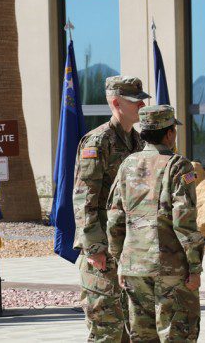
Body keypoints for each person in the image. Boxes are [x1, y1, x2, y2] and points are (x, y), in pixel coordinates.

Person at [107, 105, 204, 342]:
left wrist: (120, 260)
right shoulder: (178, 165)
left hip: (134, 266)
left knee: (142, 336)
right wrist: (195, 266)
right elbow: (184, 221)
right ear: (169, 133)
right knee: (177, 334)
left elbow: (115, 217)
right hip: (170, 268)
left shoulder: (127, 165)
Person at [73, 76, 149, 342]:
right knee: (106, 329)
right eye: (135, 101)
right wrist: (93, 247)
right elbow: (84, 198)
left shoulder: (139, 142)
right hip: (103, 250)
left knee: (131, 328)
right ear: (116, 102)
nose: (141, 105)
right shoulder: (97, 142)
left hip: (130, 248)